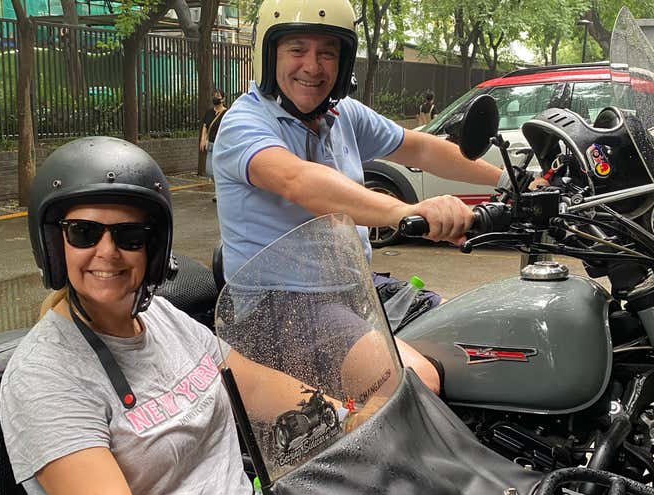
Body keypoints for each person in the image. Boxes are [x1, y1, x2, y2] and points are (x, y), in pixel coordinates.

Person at [212, 0, 506, 394]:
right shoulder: (243, 123)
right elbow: (300, 181)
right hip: (276, 307)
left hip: (352, 289)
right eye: (297, 49)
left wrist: (507, 180)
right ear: (268, 55)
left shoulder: (342, 114)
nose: (312, 66)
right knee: (415, 383)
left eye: (327, 53)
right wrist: (407, 211)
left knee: (471, 344)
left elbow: (420, 148)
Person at [0, 136, 287, 495]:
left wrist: (348, 415)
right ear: (54, 246)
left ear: (153, 250)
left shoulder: (165, 317)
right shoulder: (43, 374)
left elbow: (257, 387)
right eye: (83, 232)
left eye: (130, 236)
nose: (107, 251)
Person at [200, 88, 228, 201]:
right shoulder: (209, 112)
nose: (215, 98)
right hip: (211, 145)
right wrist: (203, 139)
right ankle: (221, 190)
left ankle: (218, 193)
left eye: (218, 96)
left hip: (221, 145)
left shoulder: (227, 113)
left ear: (223, 99)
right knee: (209, 171)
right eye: (214, 96)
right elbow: (205, 126)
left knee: (219, 170)